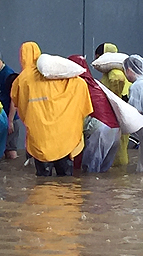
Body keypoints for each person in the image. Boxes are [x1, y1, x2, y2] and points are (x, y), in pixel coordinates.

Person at [11, 41, 93, 176]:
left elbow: (19, 103)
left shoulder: (23, 79)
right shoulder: (65, 78)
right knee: (66, 182)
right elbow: (81, 87)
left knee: (42, 182)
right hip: (64, 139)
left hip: (40, 138)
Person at [68, 55, 121, 173]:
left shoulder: (78, 85)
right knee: (104, 175)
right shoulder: (95, 84)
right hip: (116, 130)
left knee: (90, 176)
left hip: (100, 130)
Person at [95, 42, 131, 167]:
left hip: (116, 114)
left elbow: (117, 80)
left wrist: (114, 100)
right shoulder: (115, 71)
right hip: (120, 114)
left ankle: (117, 178)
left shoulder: (114, 72)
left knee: (117, 146)